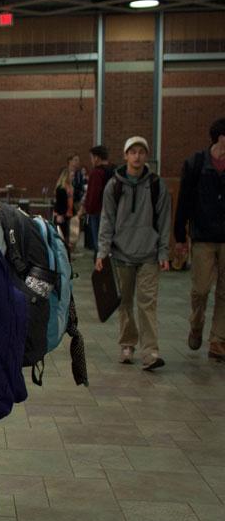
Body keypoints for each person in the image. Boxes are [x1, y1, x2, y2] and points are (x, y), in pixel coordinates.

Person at [95, 136, 172, 371]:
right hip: (121, 254)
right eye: (133, 152)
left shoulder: (157, 185)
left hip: (149, 254)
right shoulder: (114, 186)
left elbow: (164, 220)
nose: (137, 156)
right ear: (126, 155)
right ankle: (127, 344)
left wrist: (163, 252)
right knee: (125, 302)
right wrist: (102, 251)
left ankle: (150, 351)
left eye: (141, 152)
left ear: (146, 156)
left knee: (147, 304)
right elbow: (106, 220)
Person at [174, 118, 225, 362]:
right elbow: (184, 199)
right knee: (201, 290)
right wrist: (179, 235)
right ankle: (197, 324)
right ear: (221, 138)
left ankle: (217, 340)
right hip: (203, 237)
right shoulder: (196, 163)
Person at [82, 145, 113, 256]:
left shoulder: (96, 173)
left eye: (91, 158)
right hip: (110, 211)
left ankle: (100, 266)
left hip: (97, 212)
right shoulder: (112, 170)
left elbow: (93, 194)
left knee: (98, 244)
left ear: (96, 158)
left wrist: (87, 209)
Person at [53, 155, 79, 251]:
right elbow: (59, 203)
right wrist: (59, 214)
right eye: (71, 176)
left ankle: (68, 251)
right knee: (62, 234)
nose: (73, 177)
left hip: (69, 214)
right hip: (62, 214)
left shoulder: (70, 188)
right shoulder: (61, 189)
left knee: (69, 235)